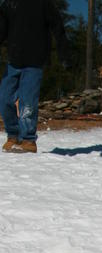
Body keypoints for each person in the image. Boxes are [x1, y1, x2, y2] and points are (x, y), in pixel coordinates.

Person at [0, 0, 70, 154]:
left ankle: (28, 139)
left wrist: (64, 53)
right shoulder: (9, 4)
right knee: (4, 99)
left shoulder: (43, 4)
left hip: (35, 61)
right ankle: (13, 135)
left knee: (28, 101)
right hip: (14, 61)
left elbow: (58, 27)